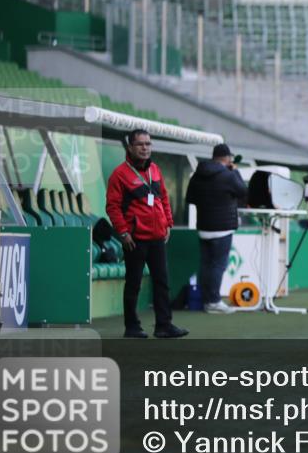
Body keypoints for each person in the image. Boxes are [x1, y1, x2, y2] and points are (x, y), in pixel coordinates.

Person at [105, 129, 188, 339]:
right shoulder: (120, 174)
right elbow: (112, 207)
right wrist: (123, 232)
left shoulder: (155, 170)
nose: (145, 148)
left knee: (162, 282)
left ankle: (163, 325)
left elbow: (163, 198)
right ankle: (132, 327)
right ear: (130, 147)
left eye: (148, 144)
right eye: (140, 144)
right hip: (135, 239)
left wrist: (168, 223)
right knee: (133, 283)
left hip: (157, 236)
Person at [186, 143, 247, 314]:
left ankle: (206, 300)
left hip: (203, 226)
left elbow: (190, 197)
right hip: (223, 228)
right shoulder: (228, 175)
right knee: (218, 265)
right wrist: (235, 172)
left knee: (206, 264)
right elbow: (243, 191)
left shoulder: (198, 174)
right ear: (227, 158)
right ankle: (213, 301)